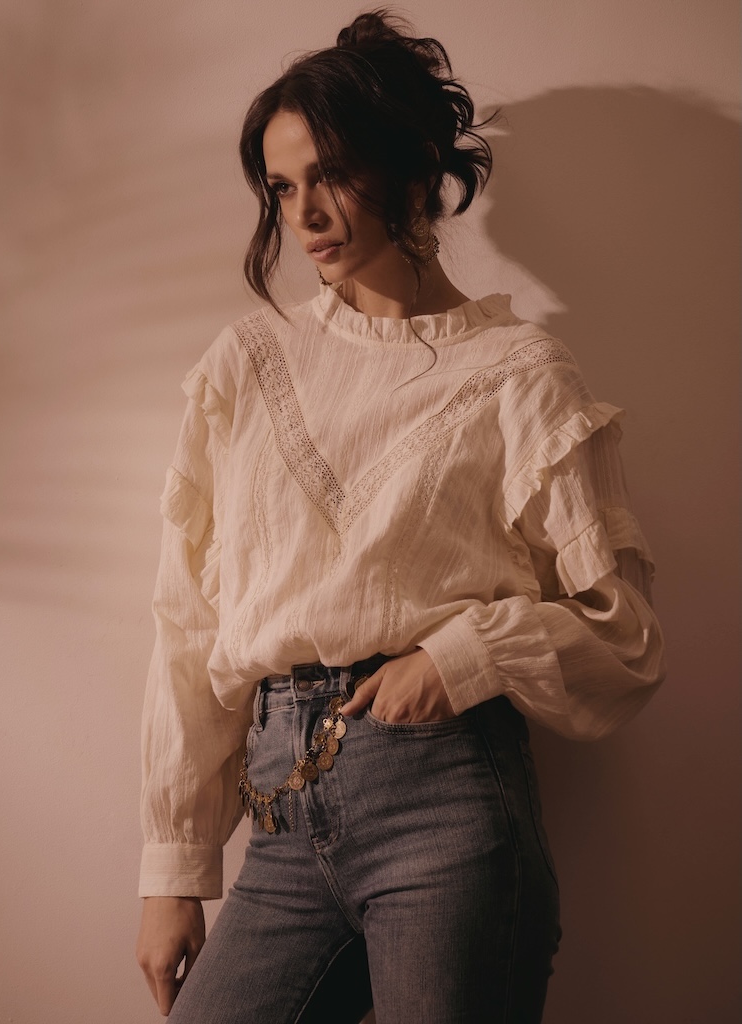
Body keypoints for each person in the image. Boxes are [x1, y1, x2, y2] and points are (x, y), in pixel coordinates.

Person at [134, 10, 665, 1023]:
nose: (304, 214)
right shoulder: (247, 364)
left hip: (447, 807)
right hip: (278, 815)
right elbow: (187, 621)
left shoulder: (522, 376)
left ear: (414, 169)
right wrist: (174, 866)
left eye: (330, 174)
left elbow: (625, 636)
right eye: (281, 187)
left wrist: (464, 657)